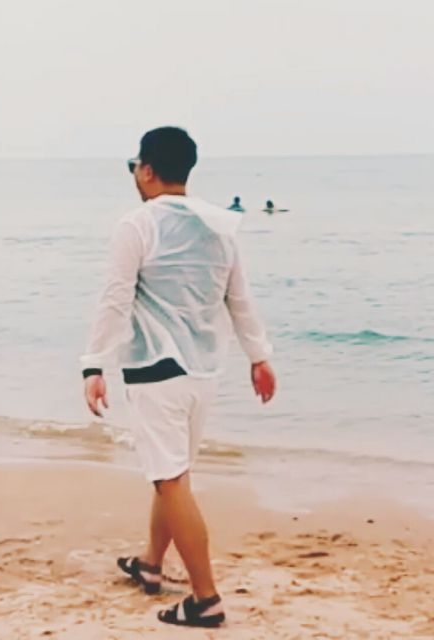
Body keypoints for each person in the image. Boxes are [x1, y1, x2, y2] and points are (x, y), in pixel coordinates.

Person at [81, 127, 276, 628]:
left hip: (156, 372)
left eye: (135, 167)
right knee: (171, 475)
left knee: (170, 479)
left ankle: (205, 599)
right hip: (203, 373)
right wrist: (259, 357)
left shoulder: (137, 225)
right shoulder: (219, 225)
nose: (134, 175)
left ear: (147, 170)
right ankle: (150, 563)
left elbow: (115, 298)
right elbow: (240, 298)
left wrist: (94, 364)